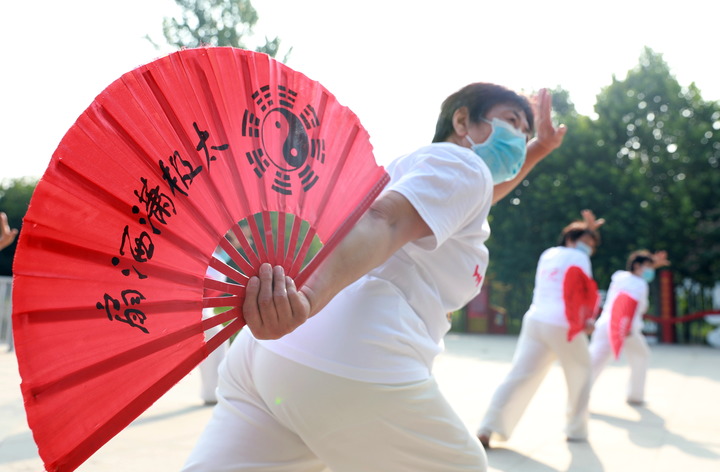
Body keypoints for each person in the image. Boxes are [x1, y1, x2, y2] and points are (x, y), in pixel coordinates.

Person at [183, 84, 567, 472]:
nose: (519, 138)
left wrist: (540, 149)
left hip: (269, 357)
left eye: (526, 133)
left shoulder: (425, 171)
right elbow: (386, 220)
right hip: (349, 360)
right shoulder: (464, 166)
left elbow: (478, 194)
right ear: (462, 120)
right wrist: (308, 300)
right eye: (512, 121)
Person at [476, 211, 603, 448]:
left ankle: (488, 427)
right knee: (581, 374)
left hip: (536, 320)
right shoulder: (579, 258)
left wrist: (586, 230)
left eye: (592, 245)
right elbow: (582, 293)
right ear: (571, 239)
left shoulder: (548, 254)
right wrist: (587, 321)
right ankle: (576, 430)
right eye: (586, 241)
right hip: (563, 325)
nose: (589, 247)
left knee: (519, 375)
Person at [589, 250, 670, 405]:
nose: (650, 270)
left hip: (606, 325)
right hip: (626, 329)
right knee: (640, 357)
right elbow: (631, 306)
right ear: (637, 265)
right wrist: (626, 327)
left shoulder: (619, 277)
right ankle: (635, 395)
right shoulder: (639, 284)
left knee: (595, 361)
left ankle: (579, 394)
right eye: (648, 266)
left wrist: (651, 262)